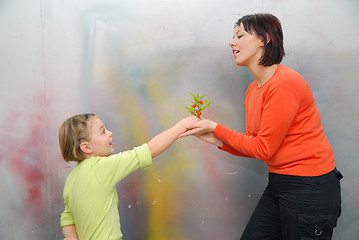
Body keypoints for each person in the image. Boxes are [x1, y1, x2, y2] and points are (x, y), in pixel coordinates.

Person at [179, 13, 342, 239]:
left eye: (240, 35)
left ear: (264, 39)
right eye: (232, 36)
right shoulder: (254, 89)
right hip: (280, 183)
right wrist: (214, 139)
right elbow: (255, 143)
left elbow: (263, 148)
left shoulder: (284, 84)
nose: (231, 42)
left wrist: (216, 128)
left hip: (309, 189)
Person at [59, 113, 198, 240]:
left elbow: (68, 220)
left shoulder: (71, 180)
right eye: (102, 131)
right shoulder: (102, 167)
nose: (110, 133)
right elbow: (150, 150)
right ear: (86, 147)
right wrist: (182, 126)